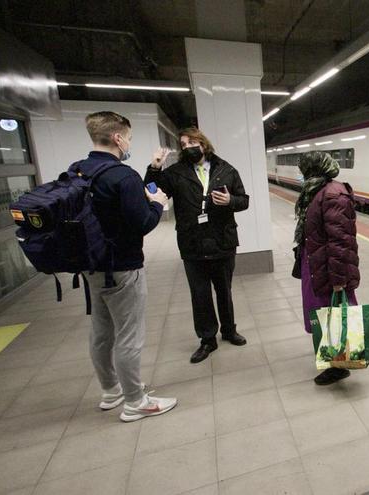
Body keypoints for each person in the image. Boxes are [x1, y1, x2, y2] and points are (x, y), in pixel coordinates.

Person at [81, 111, 177, 422]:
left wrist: (151, 178)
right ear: (119, 138)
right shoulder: (123, 176)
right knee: (128, 336)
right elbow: (143, 223)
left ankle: (111, 391)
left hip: (90, 265)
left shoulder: (79, 171)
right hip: (123, 267)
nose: (129, 144)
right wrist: (157, 204)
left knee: (101, 333)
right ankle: (136, 401)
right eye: (130, 138)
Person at [145, 128, 249, 363]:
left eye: (192, 142)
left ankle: (229, 330)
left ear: (203, 144)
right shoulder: (175, 173)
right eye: (183, 144)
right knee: (200, 294)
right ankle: (207, 340)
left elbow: (244, 200)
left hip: (222, 241)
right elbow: (152, 191)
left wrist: (231, 201)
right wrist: (154, 168)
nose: (188, 147)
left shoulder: (226, 169)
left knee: (225, 290)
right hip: (192, 243)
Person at [295, 152, 361, 385]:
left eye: (303, 169)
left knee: (334, 316)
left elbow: (340, 242)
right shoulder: (317, 191)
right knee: (325, 315)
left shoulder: (333, 195)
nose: (301, 174)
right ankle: (335, 360)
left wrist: (338, 279)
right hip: (317, 264)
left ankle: (339, 366)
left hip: (330, 269)